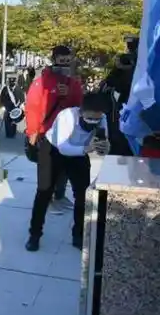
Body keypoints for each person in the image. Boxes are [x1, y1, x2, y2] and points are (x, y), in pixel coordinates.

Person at [26, 92, 110, 252]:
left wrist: (104, 147)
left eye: (97, 119)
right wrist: (86, 148)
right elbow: (63, 147)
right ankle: (34, 235)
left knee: (83, 195)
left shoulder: (102, 120)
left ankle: (78, 235)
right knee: (44, 192)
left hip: (79, 155)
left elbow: (102, 142)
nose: (93, 122)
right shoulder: (67, 117)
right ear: (81, 111)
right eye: (90, 118)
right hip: (53, 150)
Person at [25, 46, 83, 213]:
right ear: (54, 59)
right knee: (46, 168)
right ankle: (46, 197)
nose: (64, 63)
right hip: (46, 133)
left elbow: (79, 105)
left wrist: (70, 92)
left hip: (66, 133)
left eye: (67, 60)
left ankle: (59, 195)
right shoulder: (42, 81)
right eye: (61, 60)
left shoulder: (73, 81)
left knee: (64, 168)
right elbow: (33, 107)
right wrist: (32, 131)